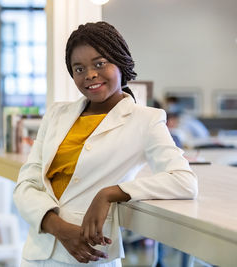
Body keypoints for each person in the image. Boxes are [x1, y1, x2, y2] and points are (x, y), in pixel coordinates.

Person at [13, 21, 198, 266]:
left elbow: (184, 181)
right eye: (78, 69)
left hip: (90, 255)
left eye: (100, 64)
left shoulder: (145, 120)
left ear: (120, 62)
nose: (89, 74)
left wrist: (110, 193)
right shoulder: (57, 114)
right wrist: (58, 228)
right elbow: (26, 184)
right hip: (38, 252)